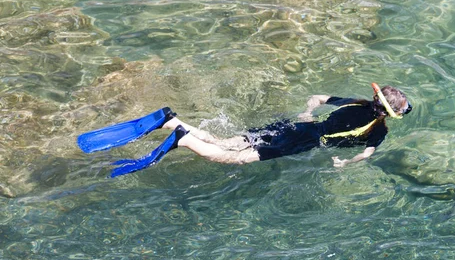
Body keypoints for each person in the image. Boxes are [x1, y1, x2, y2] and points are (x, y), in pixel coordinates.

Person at [77, 83, 412, 177]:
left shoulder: (352, 102)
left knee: (227, 141)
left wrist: (307, 111)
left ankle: (171, 120)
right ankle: (181, 139)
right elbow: (366, 155)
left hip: (294, 125)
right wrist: (345, 164)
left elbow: (319, 96)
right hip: (302, 139)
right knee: (231, 159)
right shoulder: (377, 131)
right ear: (389, 113)